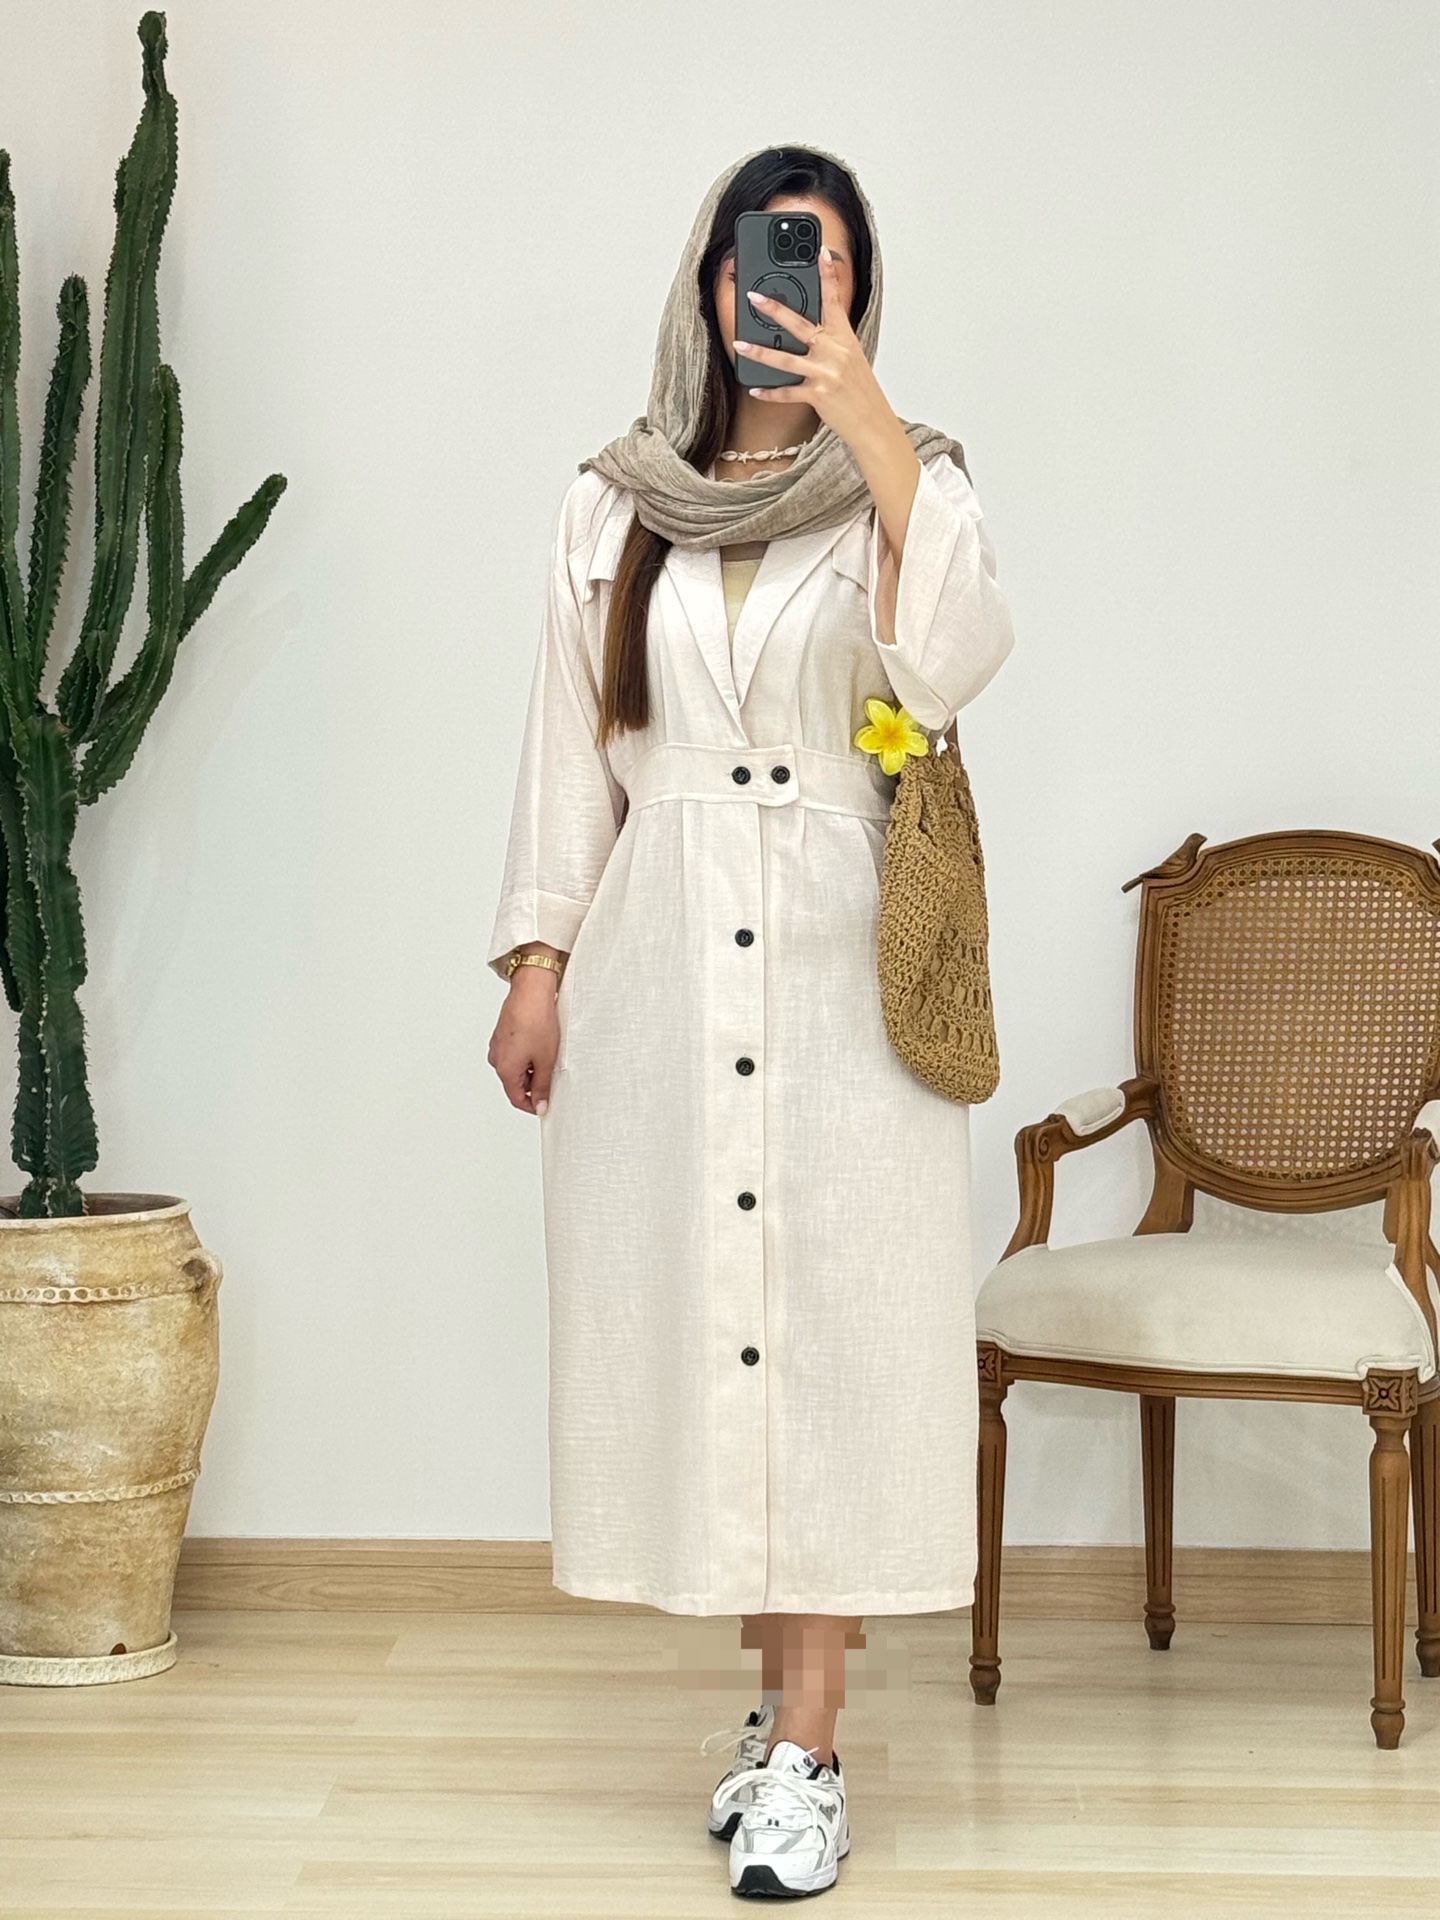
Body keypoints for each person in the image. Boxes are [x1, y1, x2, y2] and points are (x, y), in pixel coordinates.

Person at [486, 142, 1015, 1899]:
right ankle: (780, 1719)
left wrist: (869, 422)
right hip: (658, 951)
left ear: (860, 296)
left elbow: (950, 663)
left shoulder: (910, 483)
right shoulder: (613, 503)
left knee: (839, 1336)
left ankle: (812, 1743)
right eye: (768, 258)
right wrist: (538, 960)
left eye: (830, 264)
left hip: (842, 959)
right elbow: (570, 745)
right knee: (718, 1325)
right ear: (711, 282)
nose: (794, 288)